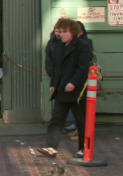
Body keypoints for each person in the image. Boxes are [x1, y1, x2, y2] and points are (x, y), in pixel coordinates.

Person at [39, 19, 92, 158]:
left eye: (64, 32)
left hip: (77, 90)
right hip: (62, 88)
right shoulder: (58, 46)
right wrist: (53, 84)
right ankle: (51, 146)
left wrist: (73, 83)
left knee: (80, 120)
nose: (61, 35)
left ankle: (83, 148)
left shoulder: (82, 46)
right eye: (60, 32)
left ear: (72, 32)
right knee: (56, 118)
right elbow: (57, 68)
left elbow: (83, 67)